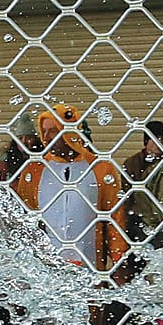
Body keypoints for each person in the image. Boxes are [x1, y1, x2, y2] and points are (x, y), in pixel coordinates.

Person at [12, 103, 128, 277]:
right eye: (45, 131)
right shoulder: (35, 170)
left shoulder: (100, 168)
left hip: (90, 260)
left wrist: (119, 258)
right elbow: (24, 218)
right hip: (47, 266)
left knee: (89, 299)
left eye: (54, 130)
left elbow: (114, 217)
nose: (48, 137)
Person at [121, 120, 163, 254]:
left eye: (162, 140)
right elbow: (127, 195)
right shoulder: (132, 163)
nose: (159, 144)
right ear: (146, 142)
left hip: (162, 220)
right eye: (155, 140)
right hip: (138, 219)